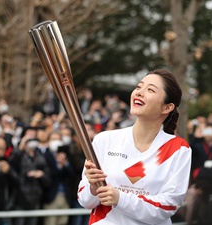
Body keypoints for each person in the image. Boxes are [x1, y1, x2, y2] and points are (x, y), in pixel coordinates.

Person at [77, 69, 192, 225]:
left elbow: (167, 206)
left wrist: (120, 198)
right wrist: (92, 186)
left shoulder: (178, 149)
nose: (139, 92)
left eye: (150, 90)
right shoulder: (105, 140)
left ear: (167, 107)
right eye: (139, 87)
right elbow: (85, 201)